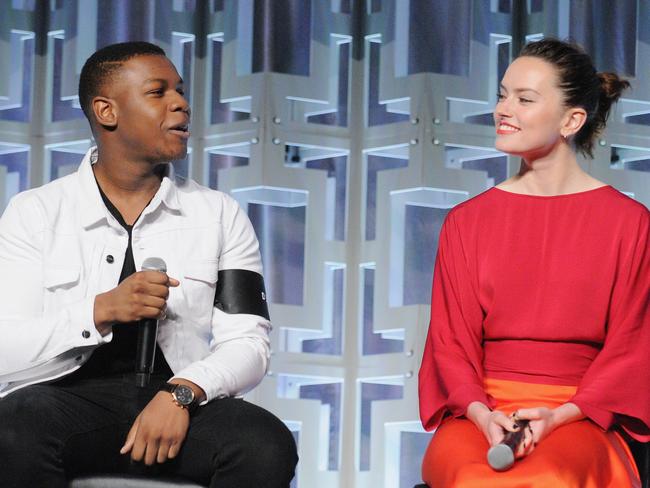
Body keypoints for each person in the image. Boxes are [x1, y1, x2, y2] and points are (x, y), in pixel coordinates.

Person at [0, 41, 297, 487]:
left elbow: (249, 345)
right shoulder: (36, 211)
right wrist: (100, 310)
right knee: (12, 427)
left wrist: (182, 393)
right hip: (63, 402)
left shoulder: (218, 213)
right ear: (106, 111)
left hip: (178, 404)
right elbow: (6, 346)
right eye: (158, 92)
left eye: (180, 91)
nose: (181, 104)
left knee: (264, 443)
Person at [418, 38, 649, 487]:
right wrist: (483, 415)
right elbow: (450, 342)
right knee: (471, 476)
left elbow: (632, 348)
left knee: (549, 478)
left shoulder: (630, 224)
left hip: (583, 416)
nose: (504, 109)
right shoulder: (467, 222)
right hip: (481, 414)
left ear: (572, 120)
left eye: (524, 99)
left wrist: (559, 416)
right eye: (503, 94)